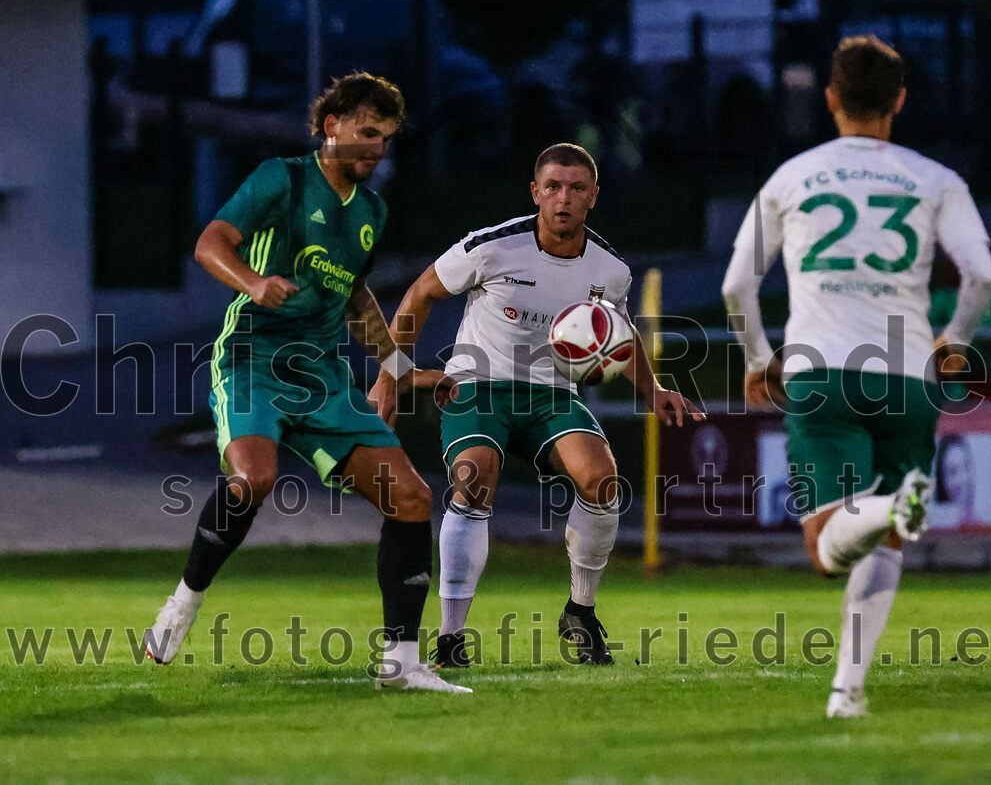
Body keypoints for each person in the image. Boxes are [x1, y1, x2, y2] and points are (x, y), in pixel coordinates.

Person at [143, 72, 469, 694]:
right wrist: (252, 282)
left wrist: (402, 370)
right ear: (332, 127)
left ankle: (401, 664)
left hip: (321, 376)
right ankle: (184, 600)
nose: (377, 148)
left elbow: (356, 304)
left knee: (412, 498)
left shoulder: (372, 211)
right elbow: (210, 242)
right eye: (368, 133)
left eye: (388, 138)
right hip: (252, 361)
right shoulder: (282, 179)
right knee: (254, 478)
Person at [722, 36, 991, 717]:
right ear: (899, 100)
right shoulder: (936, 178)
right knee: (890, 539)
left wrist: (760, 360)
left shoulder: (791, 176)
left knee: (826, 548)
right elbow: (984, 274)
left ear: (831, 99)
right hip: (908, 376)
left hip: (821, 372)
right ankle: (847, 692)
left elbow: (736, 286)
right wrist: (956, 340)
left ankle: (878, 508)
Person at [369, 143, 706, 668]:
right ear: (535, 193)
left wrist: (654, 390)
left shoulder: (610, 270)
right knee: (473, 477)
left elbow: (620, 334)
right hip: (477, 385)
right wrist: (390, 378)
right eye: (553, 187)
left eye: (576, 188)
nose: (563, 199)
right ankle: (452, 636)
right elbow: (418, 295)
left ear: (593, 195)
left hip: (552, 394)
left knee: (603, 480)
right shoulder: (492, 247)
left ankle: (581, 610)